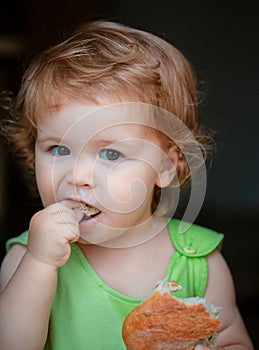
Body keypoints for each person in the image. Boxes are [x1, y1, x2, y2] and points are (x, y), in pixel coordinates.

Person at [0, 20, 254, 350]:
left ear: (166, 166)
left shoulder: (199, 262)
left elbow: (233, 341)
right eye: (58, 149)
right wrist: (39, 264)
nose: (78, 176)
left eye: (110, 153)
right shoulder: (27, 257)